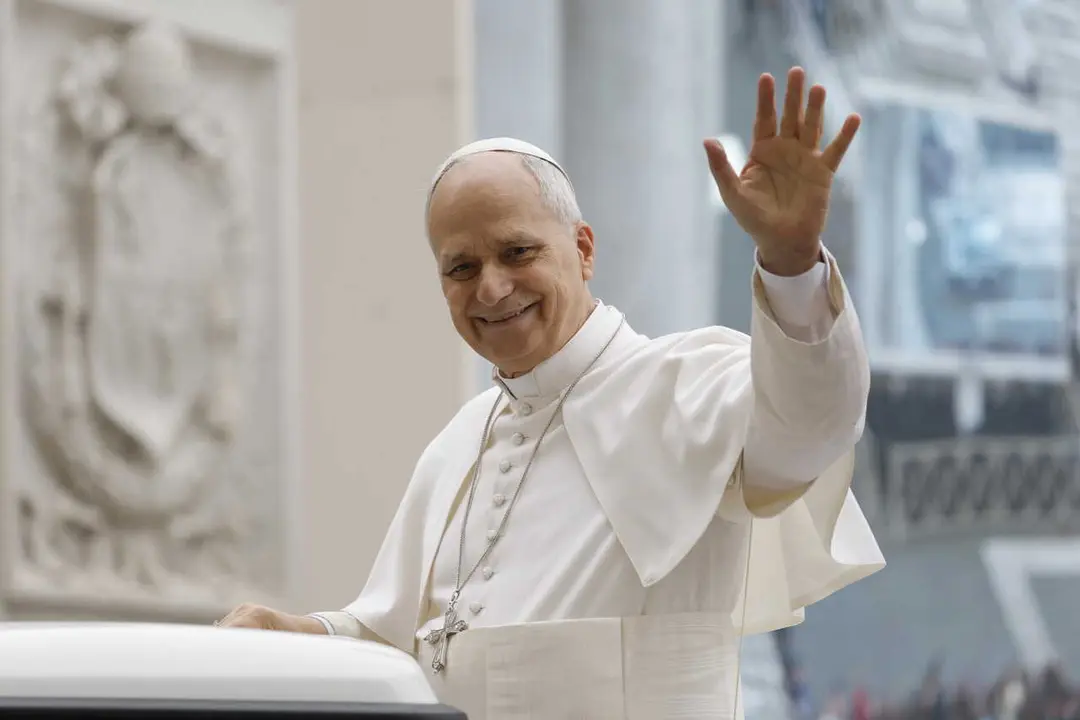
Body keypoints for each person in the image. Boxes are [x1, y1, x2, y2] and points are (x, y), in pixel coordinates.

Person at [217, 67, 886, 718]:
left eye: (516, 253)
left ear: (584, 248)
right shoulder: (457, 446)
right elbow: (404, 647)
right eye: (461, 267)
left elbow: (811, 428)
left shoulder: (686, 384)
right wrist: (303, 634)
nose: (490, 289)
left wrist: (792, 262)